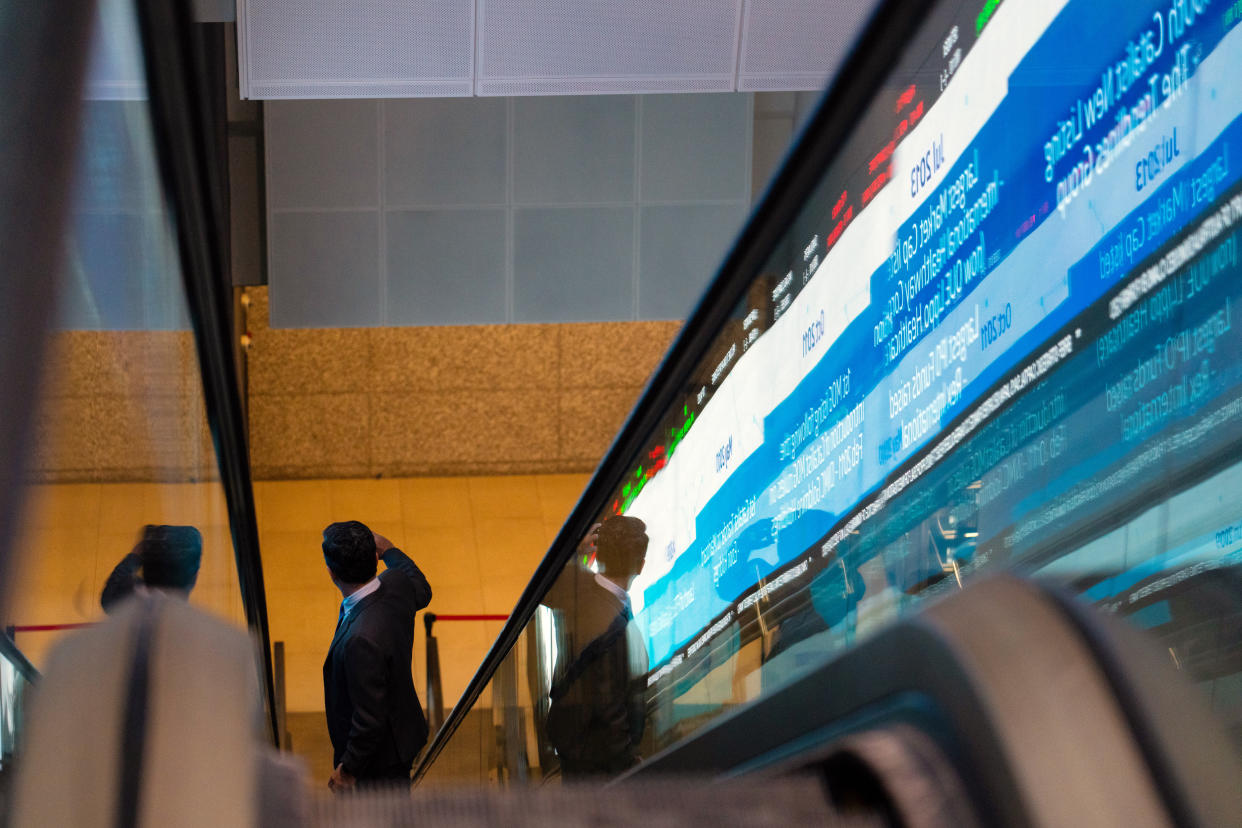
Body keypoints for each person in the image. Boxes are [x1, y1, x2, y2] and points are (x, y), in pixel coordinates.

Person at [321, 521, 432, 791]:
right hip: (403, 731)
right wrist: (390, 551)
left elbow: (369, 719)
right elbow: (422, 589)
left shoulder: (360, 640)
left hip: (378, 762)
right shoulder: (396, 583)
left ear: (332, 573)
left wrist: (348, 770)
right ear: (374, 557)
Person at [544, 515, 649, 777]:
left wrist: (573, 551)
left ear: (599, 555)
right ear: (641, 566)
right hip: (598, 764)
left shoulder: (575, 588)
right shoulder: (615, 626)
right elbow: (609, 707)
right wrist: (628, 762)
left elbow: (547, 583)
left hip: (571, 740)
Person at [100, 524, 203, 613]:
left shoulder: (131, 601)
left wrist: (134, 557)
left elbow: (109, 598)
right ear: (195, 577)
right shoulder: (193, 624)